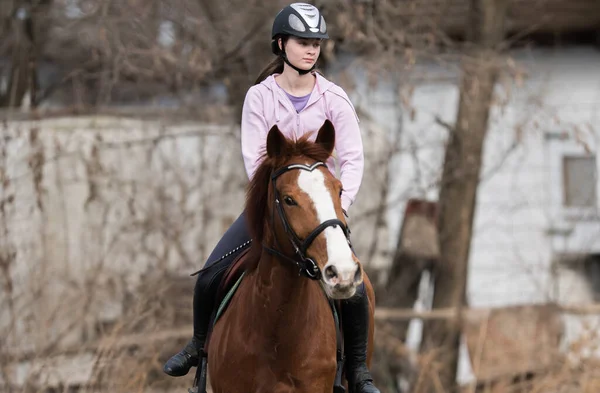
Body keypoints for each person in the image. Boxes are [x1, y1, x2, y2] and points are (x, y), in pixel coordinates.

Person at [163, 3, 379, 393]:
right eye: (302, 42)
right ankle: (199, 347)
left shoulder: (336, 99)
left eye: (316, 43)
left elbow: (353, 159)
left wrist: (338, 210)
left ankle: (358, 370)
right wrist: (278, 206)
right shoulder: (259, 98)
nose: (311, 49)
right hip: (273, 209)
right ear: (281, 44)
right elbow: (256, 161)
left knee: (356, 284)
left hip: (321, 214)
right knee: (211, 273)